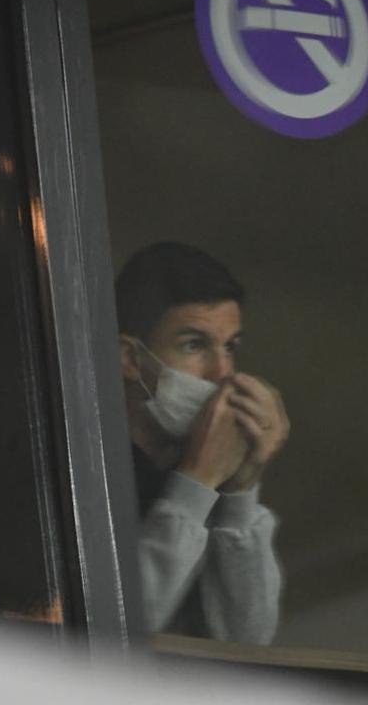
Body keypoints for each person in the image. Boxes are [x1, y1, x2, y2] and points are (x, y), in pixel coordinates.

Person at [114, 242, 287, 644]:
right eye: (194, 345)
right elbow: (114, 631)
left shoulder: (191, 471)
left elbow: (247, 641)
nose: (223, 374)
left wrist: (241, 487)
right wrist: (198, 479)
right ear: (130, 359)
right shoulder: (71, 460)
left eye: (230, 347)